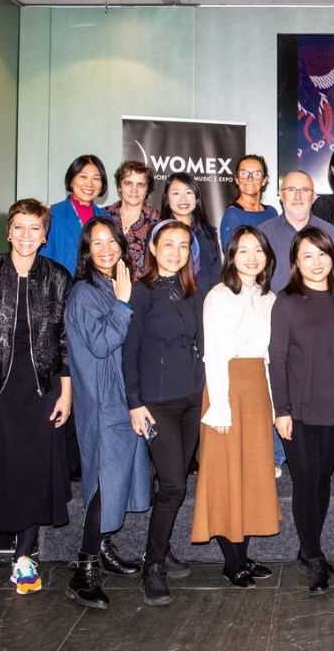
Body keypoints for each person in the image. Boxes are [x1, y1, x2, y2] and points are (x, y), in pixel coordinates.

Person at [0, 200, 72, 597]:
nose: (26, 235)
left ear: (44, 236)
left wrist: (66, 394)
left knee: (33, 473)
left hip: (41, 389)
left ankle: (24, 557)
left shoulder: (58, 277)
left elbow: (64, 342)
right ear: (8, 231)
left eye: (34, 228)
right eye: (19, 227)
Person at [64, 218, 151, 610]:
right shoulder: (85, 292)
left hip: (121, 397)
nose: (105, 249)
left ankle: (102, 548)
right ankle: (83, 569)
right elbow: (100, 345)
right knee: (105, 482)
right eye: (96, 243)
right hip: (103, 402)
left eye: (111, 241)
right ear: (87, 251)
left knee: (118, 480)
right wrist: (123, 303)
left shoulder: (117, 284)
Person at [269, 227, 334, 595]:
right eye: (307, 255)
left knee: (322, 479)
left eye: (322, 254)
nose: (316, 262)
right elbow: (277, 359)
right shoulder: (286, 301)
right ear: (296, 261)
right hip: (299, 410)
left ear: (332, 258)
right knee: (305, 481)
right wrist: (282, 410)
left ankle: (309, 548)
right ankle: (314, 555)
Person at [122, 219, 204, 606]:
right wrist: (134, 402)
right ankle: (152, 565)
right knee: (173, 485)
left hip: (191, 401)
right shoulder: (141, 292)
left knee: (174, 482)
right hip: (156, 404)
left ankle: (162, 547)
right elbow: (129, 351)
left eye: (183, 245)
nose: (175, 252)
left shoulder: (192, 291)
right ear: (153, 249)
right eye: (168, 244)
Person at [192, 226, 278, 588]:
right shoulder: (219, 296)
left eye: (258, 250)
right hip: (226, 389)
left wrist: (273, 405)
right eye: (243, 250)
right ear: (231, 256)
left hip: (257, 390)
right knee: (226, 473)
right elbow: (214, 354)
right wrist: (220, 407)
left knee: (252, 474)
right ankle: (232, 560)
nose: (251, 257)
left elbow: (270, 358)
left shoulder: (269, 297)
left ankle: (243, 554)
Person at [259, 171, 334, 293]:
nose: (298, 196)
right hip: (274, 304)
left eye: (305, 190)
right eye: (291, 190)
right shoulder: (264, 233)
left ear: (314, 197)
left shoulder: (329, 232)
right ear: (281, 195)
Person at [41, 154, 111, 274]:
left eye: (96, 178)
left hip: (97, 284)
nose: (89, 184)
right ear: (71, 180)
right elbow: (42, 261)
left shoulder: (106, 218)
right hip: (61, 284)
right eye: (83, 177)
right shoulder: (52, 214)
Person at [159, 172, 222, 290]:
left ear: (196, 198)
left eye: (188, 192)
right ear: (167, 198)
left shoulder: (208, 233)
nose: (183, 199)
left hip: (205, 298)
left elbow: (216, 275)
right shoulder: (158, 233)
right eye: (176, 193)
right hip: (169, 297)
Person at [105, 160, 159, 279]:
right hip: (104, 287)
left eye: (140, 184)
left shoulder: (157, 221)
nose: (134, 190)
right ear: (119, 187)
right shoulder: (103, 216)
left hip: (142, 288)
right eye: (128, 183)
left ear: (147, 189)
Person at [219, 154, 278, 249]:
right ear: (236, 179)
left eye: (256, 174)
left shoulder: (271, 212)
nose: (250, 178)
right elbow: (230, 253)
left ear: (264, 180)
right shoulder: (233, 215)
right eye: (244, 173)